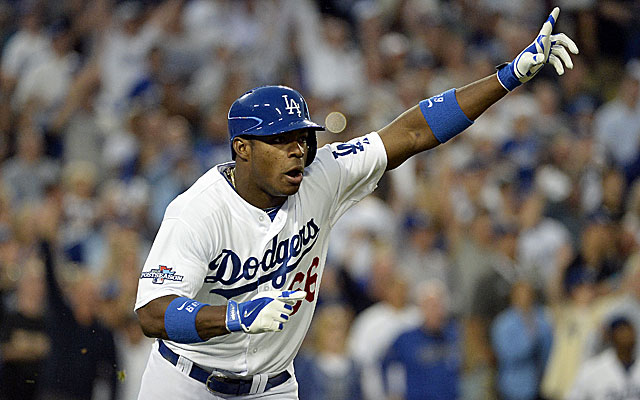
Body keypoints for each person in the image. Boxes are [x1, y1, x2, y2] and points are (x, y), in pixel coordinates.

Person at [134, 8, 578, 399]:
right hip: (184, 382)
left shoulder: (322, 174)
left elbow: (412, 131)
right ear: (242, 149)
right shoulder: (198, 211)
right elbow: (154, 312)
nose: (298, 150)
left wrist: (507, 77)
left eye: (302, 137)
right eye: (280, 140)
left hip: (271, 385)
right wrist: (233, 315)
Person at [566, 316, 639, 400]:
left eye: (630, 330)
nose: (627, 335)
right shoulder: (592, 369)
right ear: (611, 337)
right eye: (621, 331)